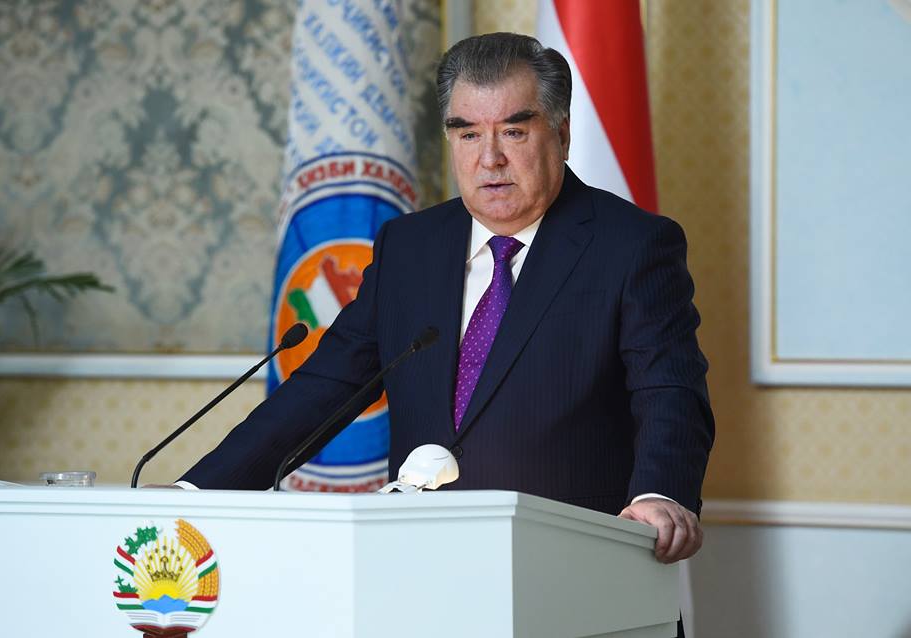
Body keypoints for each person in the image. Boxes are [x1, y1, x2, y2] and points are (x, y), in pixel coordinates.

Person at [178, 33, 714, 568]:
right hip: (423, 562)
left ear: (563, 133)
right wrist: (195, 494)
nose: (490, 159)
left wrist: (661, 494)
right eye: (467, 133)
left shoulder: (632, 245)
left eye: (513, 131)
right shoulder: (409, 247)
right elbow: (327, 387)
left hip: (573, 566)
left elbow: (669, 391)